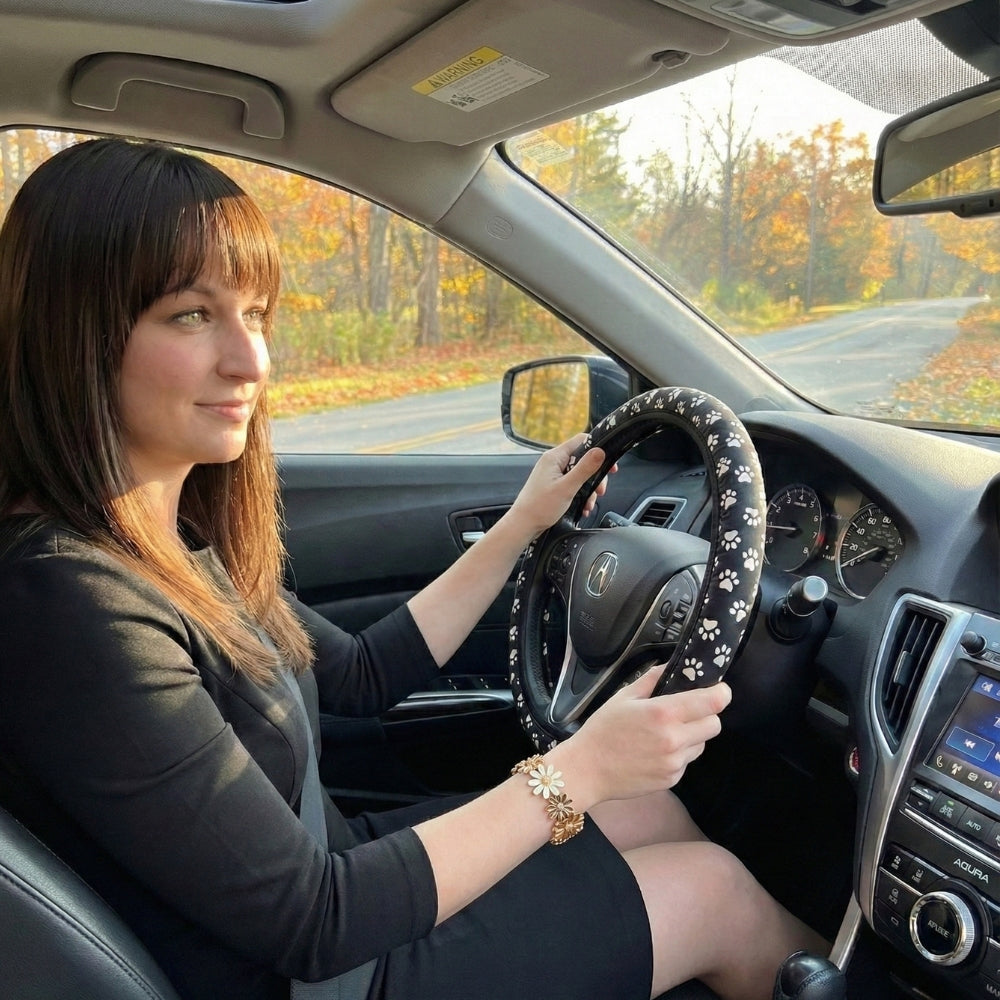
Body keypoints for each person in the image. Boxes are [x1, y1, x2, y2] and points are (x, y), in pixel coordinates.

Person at [0, 138, 825, 1000]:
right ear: (77, 337)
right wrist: (578, 768)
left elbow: (359, 674)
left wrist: (521, 526)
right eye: (191, 315)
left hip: (322, 886)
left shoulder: (160, 543)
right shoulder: (71, 601)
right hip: (304, 970)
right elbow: (312, 920)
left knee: (646, 810)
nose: (251, 362)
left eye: (257, 313)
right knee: (715, 893)